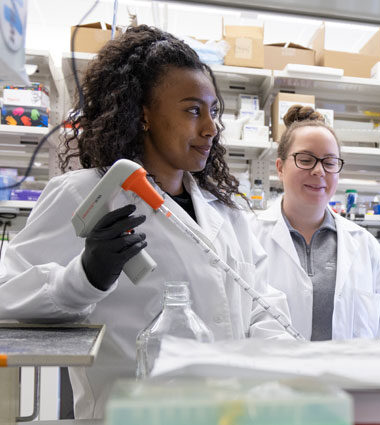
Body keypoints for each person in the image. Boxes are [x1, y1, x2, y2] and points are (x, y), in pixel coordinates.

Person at [0, 25, 293, 418]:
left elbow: (264, 308)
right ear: (144, 114)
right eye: (192, 110)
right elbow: (7, 296)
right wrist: (84, 277)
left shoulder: (228, 213)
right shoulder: (83, 194)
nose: (210, 128)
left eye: (213, 111)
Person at [252, 105, 380, 341]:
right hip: (276, 377)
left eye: (330, 162)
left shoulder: (365, 246)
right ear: (280, 168)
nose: (319, 171)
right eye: (305, 159)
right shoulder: (250, 238)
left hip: (351, 377)